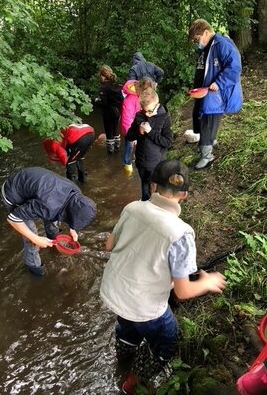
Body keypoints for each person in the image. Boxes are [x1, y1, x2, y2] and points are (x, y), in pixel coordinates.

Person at [100, 159, 226, 394]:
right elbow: (182, 291)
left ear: (152, 186)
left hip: (114, 293)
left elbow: (109, 245)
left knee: (128, 327)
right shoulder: (181, 233)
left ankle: (123, 355)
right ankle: (132, 384)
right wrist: (207, 281)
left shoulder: (132, 208)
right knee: (168, 341)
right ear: (184, 195)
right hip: (145, 306)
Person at [1, 167, 96, 276]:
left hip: (37, 186)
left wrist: (73, 228)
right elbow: (13, 218)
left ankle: (52, 236)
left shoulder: (76, 193)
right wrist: (36, 239)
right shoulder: (48, 206)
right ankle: (34, 268)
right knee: (31, 236)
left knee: (52, 214)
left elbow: (63, 209)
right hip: (12, 193)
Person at [188, 19, 243, 170]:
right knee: (199, 117)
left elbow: (235, 67)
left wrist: (219, 83)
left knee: (209, 120)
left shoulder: (222, 44)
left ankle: (207, 155)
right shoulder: (206, 48)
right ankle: (207, 143)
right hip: (204, 91)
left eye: (197, 39)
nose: (196, 43)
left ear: (206, 32)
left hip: (215, 93)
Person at [126, 89, 173, 201]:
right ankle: (144, 205)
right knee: (144, 187)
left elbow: (168, 142)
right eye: (144, 110)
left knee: (156, 192)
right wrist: (139, 132)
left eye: (150, 111)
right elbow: (129, 136)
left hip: (157, 163)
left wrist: (150, 132)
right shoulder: (139, 115)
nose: (147, 114)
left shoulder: (165, 117)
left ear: (157, 105)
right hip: (141, 160)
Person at [120, 78, 156, 175]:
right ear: (141, 89)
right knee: (129, 147)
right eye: (147, 92)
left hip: (140, 125)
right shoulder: (130, 100)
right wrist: (131, 135)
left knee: (139, 146)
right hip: (130, 129)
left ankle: (136, 160)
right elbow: (126, 119)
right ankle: (127, 165)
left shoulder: (142, 96)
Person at [98, 65, 123, 154]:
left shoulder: (104, 87)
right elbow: (121, 99)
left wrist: (97, 101)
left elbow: (104, 102)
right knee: (116, 130)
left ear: (102, 76)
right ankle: (117, 148)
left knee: (109, 132)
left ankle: (110, 153)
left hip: (108, 112)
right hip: (117, 111)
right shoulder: (117, 86)